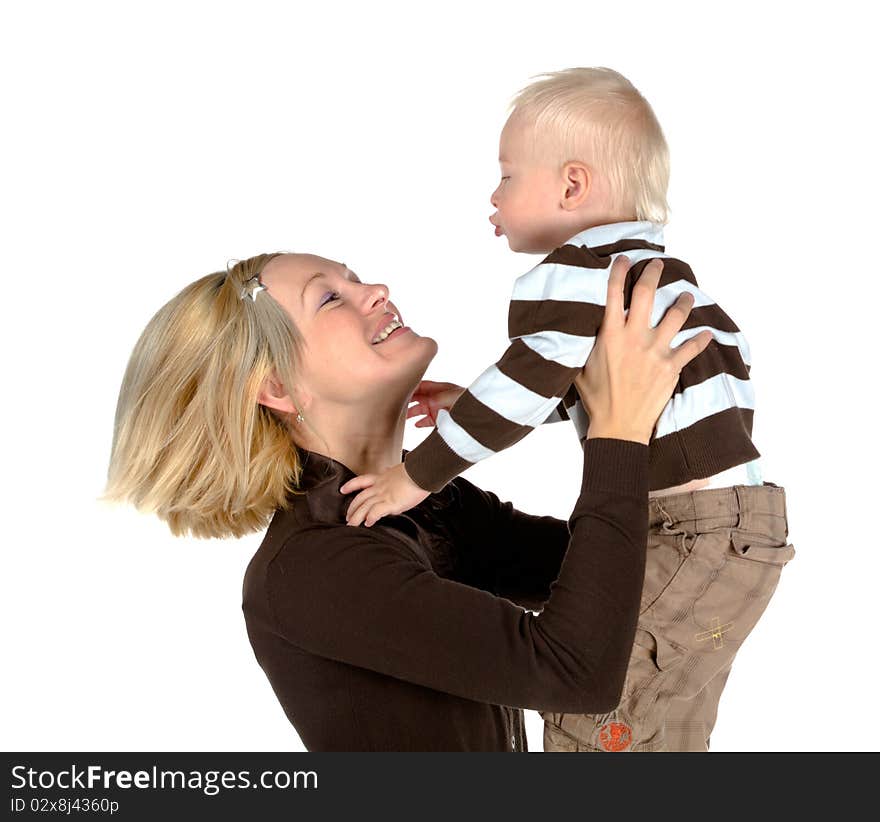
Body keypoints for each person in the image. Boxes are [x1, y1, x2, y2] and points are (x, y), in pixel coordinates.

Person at [342, 67, 795, 752]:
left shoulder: (574, 271)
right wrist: (477, 401)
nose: (493, 195)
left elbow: (529, 382)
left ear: (572, 186)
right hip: (744, 528)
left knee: (594, 716)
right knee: (664, 728)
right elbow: (676, 378)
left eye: (506, 176)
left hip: (691, 529)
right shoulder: (664, 279)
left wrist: (417, 476)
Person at [103, 249, 709, 751]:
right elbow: (577, 671)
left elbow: (637, 577)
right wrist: (618, 431)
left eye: (353, 277)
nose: (376, 289)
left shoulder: (424, 508)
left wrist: (598, 405)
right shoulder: (314, 567)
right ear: (279, 387)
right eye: (330, 298)